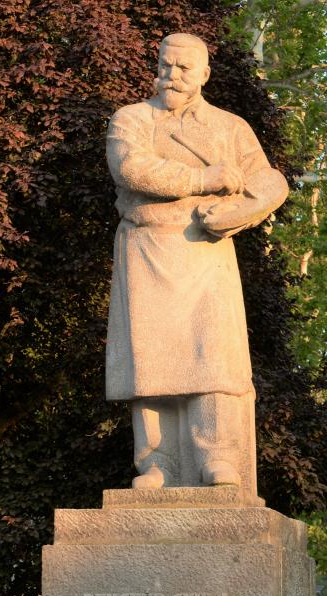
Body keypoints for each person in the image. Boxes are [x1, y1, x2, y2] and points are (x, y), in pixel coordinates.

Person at [105, 32, 288, 491]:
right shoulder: (132, 118)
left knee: (213, 356)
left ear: (204, 74)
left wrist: (245, 211)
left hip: (205, 252)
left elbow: (269, 180)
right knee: (151, 364)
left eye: (184, 68)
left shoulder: (229, 127)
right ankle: (157, 463)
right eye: (166, 65)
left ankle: (217, 457)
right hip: (147, 247)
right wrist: (204, 179)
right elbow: (130, 168)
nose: (172, 75)